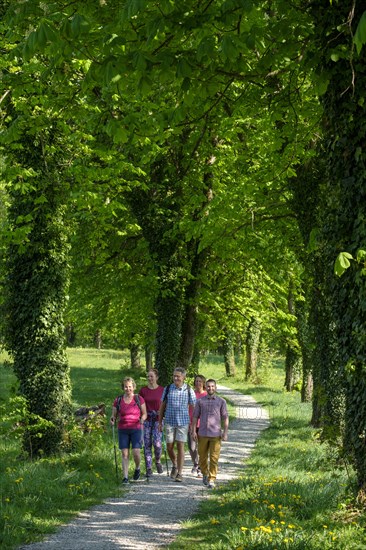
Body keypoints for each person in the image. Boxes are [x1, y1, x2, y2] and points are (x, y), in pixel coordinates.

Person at [158, 367, 196, 483]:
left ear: (183, 377)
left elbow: (194, 407)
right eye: (174, 376)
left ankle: (179, 473)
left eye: (178, 376)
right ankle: (174, 464)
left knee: (180, 447)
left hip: (183, 422)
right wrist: (160, 422)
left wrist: (193, 424)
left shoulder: (189, 389)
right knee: (169, 447)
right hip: (169, 421)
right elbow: (162, 406)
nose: (175, 378)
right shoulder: (168, 388)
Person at [191, 378, 229, 489]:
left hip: (216, 435)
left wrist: (225, 432)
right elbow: (194, 417)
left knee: (214, 458)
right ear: (205, 387)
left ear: (215, 388)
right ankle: (204, 473)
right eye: (208, 386)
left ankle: (212, 479)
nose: (210, 388)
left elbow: (225, 418)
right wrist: (193, 431)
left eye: (212, 386)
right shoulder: (200, 401)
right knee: (202, 457)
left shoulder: (221, 402)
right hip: (202, 433)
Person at [110, 376, 147, 484]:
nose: (128, 389)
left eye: (130, 386)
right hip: (123, 429)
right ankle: (125, 477)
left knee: (136, 452)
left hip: (136, 428)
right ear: (123, 388)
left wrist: (142, 419)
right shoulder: (118, 400)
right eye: (126, 387)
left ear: (133, 387)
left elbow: (144, 413)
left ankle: (137, 468)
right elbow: (114, 415)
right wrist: (112, 419)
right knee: (125, 454)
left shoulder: (139, 399)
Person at [139, 368, 164, 477]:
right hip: (146, 419)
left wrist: (162, 411)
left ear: (156, 377)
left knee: (157, 444)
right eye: (148, 376)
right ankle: (148, 467)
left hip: (158, 420)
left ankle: (158, 460)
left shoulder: (162, 390)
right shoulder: (143, 391)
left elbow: (165, 404)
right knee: (147, 443)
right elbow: (139, 405)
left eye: (151, 376)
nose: (149, 378)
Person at [188, 374, 207, 477]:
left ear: (203, 383)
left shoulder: (206, 395)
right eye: (196, 381)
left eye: (200, 381)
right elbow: (186, 408)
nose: (198, 383)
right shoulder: (191, 394)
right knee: (192, 447)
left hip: (203, 425)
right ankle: (196, 463)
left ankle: (200, 467)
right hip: (192, 424)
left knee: (202, 447)